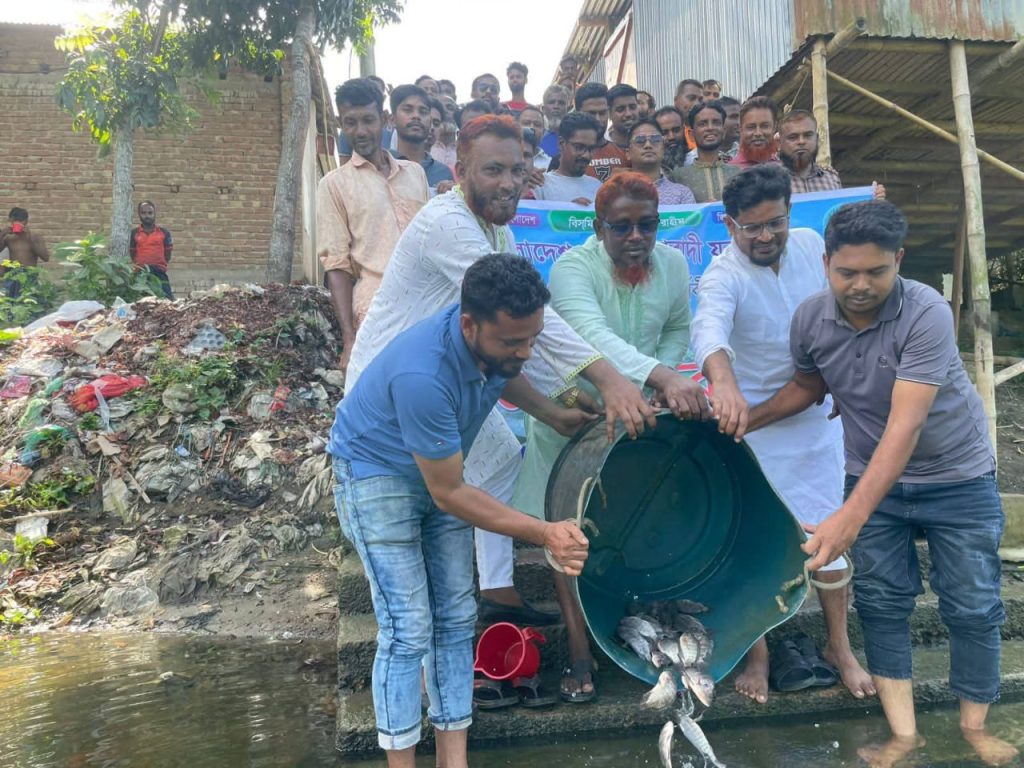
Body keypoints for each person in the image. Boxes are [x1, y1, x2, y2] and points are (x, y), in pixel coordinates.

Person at [345, 114, 656, 635]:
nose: (508, 182)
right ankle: (426, 628)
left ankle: (496, 592)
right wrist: (610, 378)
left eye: (517, 170)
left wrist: (556, 409)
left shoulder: (499, 231)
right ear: (460, 168)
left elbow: (516, 334)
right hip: (394, 392)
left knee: (498, 465)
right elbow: (543, 324)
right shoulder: (446, 225)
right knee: (421, 503)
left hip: (450, 381)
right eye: (493, 170)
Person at [742, 200, 1018, 768]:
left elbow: (905, 423)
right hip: (874, 481)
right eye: (847, 273)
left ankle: (974, 728)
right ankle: (903, 735)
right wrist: (747, 419)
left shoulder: (927, 311)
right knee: (884, 603)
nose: (861, 285)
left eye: (876, 271)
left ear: (899, 260)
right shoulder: (811, 319)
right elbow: (809, 386)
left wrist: (850, 515)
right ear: (825, 263)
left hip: (957, 478)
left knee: (972, 604)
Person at [331, 254, 594, 766]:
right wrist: (543, 533)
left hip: (437, 472)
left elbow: (504, 372)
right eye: (512, 342)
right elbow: (449, 493)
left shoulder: (492, 345)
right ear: (469, 324)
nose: (525, 351)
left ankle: (455, 761)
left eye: (531, 338)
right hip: (374, 475)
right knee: (407, 628)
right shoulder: (422, 374)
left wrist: (552, 413)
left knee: (454, 620)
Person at [512, 172, 710, 703]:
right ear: (599, 228)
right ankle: (579, 648)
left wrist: (651, 383)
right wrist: (661, 380)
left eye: (647, 225)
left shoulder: (671, 264)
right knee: (565, 531)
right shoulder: (573, 267)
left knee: (625, 522)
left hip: (637, 418)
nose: (636, 237)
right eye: (621, 227)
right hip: (573, 412)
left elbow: (676, 328)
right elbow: (584, 337)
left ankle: (631, 628)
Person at [691, 164, 874, 707]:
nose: (766, 236)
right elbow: (709, 330)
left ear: (790, 215)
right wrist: (721, 383)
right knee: (761, 544)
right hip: (753, 426)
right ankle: (758, 654)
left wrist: (849, 376)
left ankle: (840, 648)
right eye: (752, 228)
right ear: (729, 225)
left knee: (829, 537)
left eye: (775, 223)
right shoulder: (722, 275)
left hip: (817, 424)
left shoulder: (813, 245)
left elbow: (845, 312)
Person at [318, 78, 428, 374]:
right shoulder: (334, 185)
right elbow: (337, 266)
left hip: (428, 307)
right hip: (375, 313)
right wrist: (350, 339)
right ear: (341, 123)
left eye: (368, 120)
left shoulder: (415, 174)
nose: (361, 131)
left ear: (384, 119)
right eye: (350, 123)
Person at [671, 101, 741, 203]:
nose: (710, 128)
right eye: (702, 124)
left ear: (724, 131)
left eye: (716, 123)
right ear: (691, 134)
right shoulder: (678, 177)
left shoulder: (738, 174)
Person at [389, 85, 454, 191]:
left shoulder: (443, 172)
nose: (416, 116)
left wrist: (453, 194)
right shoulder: (380, 165)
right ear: (392, 120)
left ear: (430, 122)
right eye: (408, 110)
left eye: (423, 111)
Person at [532, 111, 603, 205]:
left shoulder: (598, 187)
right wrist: (568, 211)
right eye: (579, 147)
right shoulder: (541, 184)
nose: (586, 155)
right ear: (561, 144)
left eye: (591, 149)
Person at [627, 120, 695, 205]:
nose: (648, 145)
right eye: (640, 140)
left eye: (655, 139)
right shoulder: (614, 192)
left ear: (663, 149)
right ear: (628, 153)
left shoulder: (682, 194)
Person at [575, 83, 628, 182]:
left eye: (602, 113)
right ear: (578, 113)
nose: (598, 119)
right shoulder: (566, 156)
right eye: (591, 113)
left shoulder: (625, 155)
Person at [128, 201, 173, 299]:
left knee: (167, 300)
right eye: (143, 213)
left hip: (159, 272)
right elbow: (132, 252)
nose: (147, 216)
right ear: (139, 214)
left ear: (154, 214)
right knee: (141, 302)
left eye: (150, 213)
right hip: (141, 274)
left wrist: (159, 264)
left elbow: (168, 253)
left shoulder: (164, 232)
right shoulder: (134, 233)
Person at [0, 207, 49, 298]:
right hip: (13, 274)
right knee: (11, 303)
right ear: (11, 221)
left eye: (20, 221)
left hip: (29, 274)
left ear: (26, 222)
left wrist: (30, 238)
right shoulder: (9, 238)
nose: (17, 224)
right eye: (14, 221)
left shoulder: (35, 236)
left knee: (29, 302)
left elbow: (46, 257)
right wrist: (2, 234)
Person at [731, 96, 780, 169]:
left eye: (765, 126)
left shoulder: (786, 170)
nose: (758, 133)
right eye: (751, 127)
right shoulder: (729, 172)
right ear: (741, 129)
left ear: (774, 127)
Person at [653, 106, 689, 172]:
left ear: (683, 130)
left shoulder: (694, 160)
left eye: (676, 130)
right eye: (664, 132)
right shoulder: (650, 168)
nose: (671, 137)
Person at [606, 83, 640, 152]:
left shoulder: (650, 143)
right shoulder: (600, 146)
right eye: (620, 109)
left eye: (632, 107)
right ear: (609, 114)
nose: (628, 114)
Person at [540, 84, 571, 157]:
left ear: (568, 109)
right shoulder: (537, 140)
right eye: (551, 102)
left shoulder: (576, 137)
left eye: (561, 103)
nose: (556, 106)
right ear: (543, 109)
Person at [517, 105, 551, 170]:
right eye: (526, 123)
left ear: (543, 132)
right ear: (516, 127)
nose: (531, 127)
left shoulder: (549, 163)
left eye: (537, 124)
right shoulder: (506, 157)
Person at [673, 79, 704, 149]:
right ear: (676, 100)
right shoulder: (667, 132)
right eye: (691, 98)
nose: (697, 104)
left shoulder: (707, 130)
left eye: (700, 100)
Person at [718, 96, 742, 161]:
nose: (739, 122)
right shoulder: (696, 157)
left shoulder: (748, 154)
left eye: (741, 117)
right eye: (733, 117)